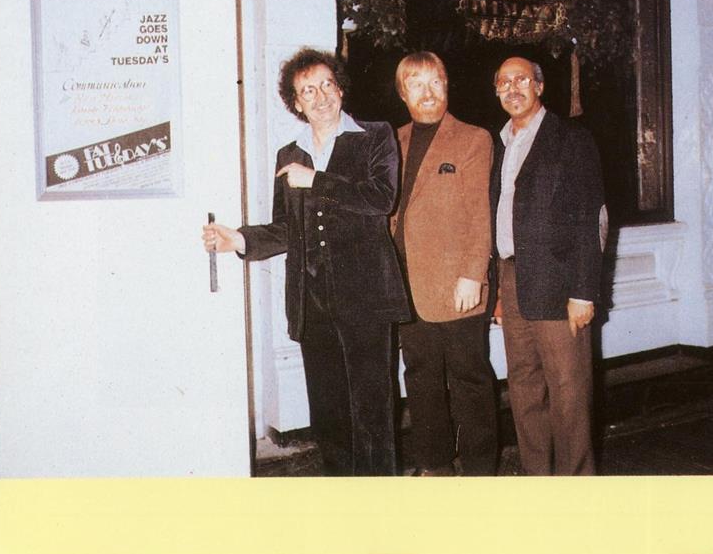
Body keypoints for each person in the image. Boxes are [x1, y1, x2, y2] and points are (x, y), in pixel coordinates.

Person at [202, 47, 410, 476]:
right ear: (296, 103)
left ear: (340, 89)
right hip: (312, 301)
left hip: (366, 298)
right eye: (308, 91)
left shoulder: (375, 136)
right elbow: (286, 228)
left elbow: (381, 198)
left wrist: (316, 180)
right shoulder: (289, 154)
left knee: (372, 410)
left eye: (326, 85)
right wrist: (238, 239)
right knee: (328, 412)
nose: (320, 97)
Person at [490, 56, 607, 475]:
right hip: (512, 279)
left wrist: (584, 292)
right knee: (523, 388)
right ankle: (537, 480)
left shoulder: (570, 139)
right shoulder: (499, 144)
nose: (513, 88)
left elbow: (592, 218)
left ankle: (574, 486)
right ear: (496, 91)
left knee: (568, 392)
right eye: (504, 82)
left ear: (539, 86)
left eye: (521, 79)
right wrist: (498, 291)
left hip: (560, 286)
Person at [391, 52, 498, 476]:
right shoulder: (392, 141)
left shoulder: (473, 138)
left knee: (470, 380)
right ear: (403, 94)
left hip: (458, 285)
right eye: (416, 84)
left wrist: (473, 273)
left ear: (447, 86)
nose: (428, 92)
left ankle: (479, 471)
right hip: (405, 285)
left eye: (435, 82)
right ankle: (434, 464)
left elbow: (480, 213)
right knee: (420, 378)